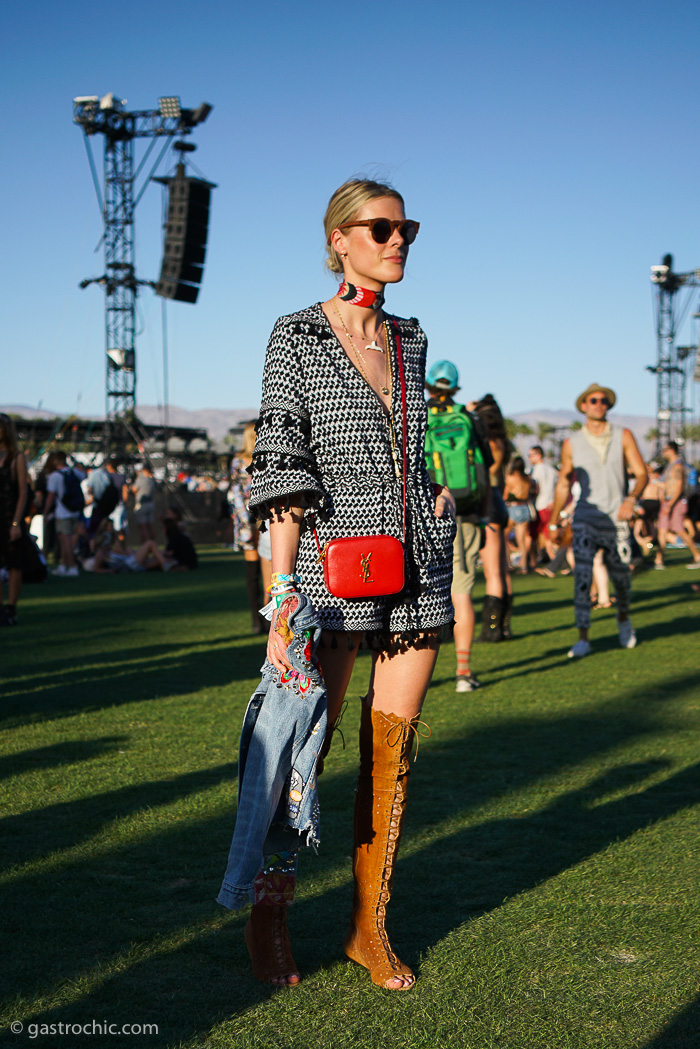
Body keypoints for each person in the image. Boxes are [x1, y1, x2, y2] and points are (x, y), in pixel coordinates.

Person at [221, 178, 455, 992]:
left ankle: (369, 927)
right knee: (301, 748)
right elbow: (280, 467)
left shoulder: (412, 340)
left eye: (407, 228)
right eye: (382, 227)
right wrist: (281, 594)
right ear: (340, 239)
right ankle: (271, 916)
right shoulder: (295, 335)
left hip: (419, 567)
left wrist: (435, 493)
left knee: (394, 750)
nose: (398, 241)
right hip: (328, 571)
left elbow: (411, 448)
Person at [549, 382, 647, 658]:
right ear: (583, 406)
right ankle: (583, 637)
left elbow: (641, 473)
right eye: (593, 400)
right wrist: (555, 521)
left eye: (603, 400)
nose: (598, 404)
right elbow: (563, 483)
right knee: (582, 576)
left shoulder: (623, 435)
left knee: (621, 579)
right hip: (584, 518)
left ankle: (624, 620)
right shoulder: (571, 442)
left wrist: (631, 500)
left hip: (617, 517)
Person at [424, 360, 491, 692]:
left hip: (424, 514)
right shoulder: (467, 415)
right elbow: (485, 465)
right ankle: (463, 672)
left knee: (419, 595)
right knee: (461, 593)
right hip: (463, 512)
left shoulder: (419, 416)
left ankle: (412, 673)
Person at [469, 394, 513, 640]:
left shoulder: (489, 443)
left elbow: (487, 472)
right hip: (498, 503)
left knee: (493, 571)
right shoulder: (503, 442)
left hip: (489, 505)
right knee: (501, 569)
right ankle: (503, 625)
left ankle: (493, 629)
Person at [0, 413, 29, 625]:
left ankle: (11, 607)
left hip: (10, 516)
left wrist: (16, 522)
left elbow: (23, 492)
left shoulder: (16, 457)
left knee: (14, 564)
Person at [654, 441, 700, 570]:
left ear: (671, 450)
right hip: (668, 502)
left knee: (679, 529)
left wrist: (670, 505)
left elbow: (678, 488)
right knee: (662, 529)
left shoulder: (677, 467)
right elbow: (669, 486)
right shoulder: (670, 466)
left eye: (665, 450)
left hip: (675, 502)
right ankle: (659, 559)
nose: (663, 452)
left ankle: (697, 556)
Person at [44, 451, 85, 577]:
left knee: (65, 540)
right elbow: (84, 474)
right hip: (75, 510)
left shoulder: (54, 476)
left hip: (62, 512)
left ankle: (71, 565)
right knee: (68, 540)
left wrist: (45, 511)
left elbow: (51, 496)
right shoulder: (75, 472)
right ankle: (64, 565)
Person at [503, 456, 537, 574]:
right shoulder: (527, 478)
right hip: (525, 508)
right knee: (521, 540)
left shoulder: (510, 478)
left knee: (504, 535)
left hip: (514, 508)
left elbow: (505, 495)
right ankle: (523, 567)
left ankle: (508, 563)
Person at [527, 444, 558, 567]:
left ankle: (534, 561)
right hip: (550, 505)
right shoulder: (552, 470)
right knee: (548, 535)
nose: (529, 458)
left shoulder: (536, 470)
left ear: (538, 455)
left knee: (534, 535)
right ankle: (556, 560)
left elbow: (535, 488)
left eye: (531, 455)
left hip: (539, 505)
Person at [131, 463, 156, 542]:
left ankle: (145, 546)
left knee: (143, 526)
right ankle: (153, 544)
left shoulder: (140, 480)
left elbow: (134, 490)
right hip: (150, 503)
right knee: (150, 526)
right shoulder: (152, 480)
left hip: (142, 504)